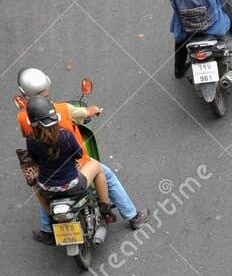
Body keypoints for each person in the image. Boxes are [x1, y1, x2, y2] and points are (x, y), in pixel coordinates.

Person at [16, 68, 145, 240]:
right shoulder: (63, 114)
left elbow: (33, 155)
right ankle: (130, 216)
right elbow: (81, 132)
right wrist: (94, 110)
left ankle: (47, 229)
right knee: (105, 174)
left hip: (47, 182)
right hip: (74, 176)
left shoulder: (24, 121)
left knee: (42, 186)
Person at [21, 96, 109, 240]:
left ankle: (50, 217)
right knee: (97, 167)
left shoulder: (30, 140)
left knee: (35, 187)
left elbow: (34, 160)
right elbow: (79, 154)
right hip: (73, 185)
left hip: (47, 190)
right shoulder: (65, 135)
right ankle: (105, 208)